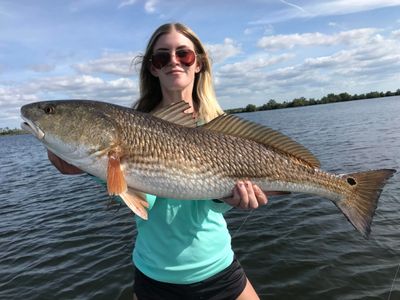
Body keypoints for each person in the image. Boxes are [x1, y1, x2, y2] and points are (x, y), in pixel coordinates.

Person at [48, 23, 269, 300]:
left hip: (219, 268)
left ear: (198, 63)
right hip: (155, 277)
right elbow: (145, 204)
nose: (173, 61)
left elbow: (210, 205)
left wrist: (227, 199)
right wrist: (92, 165)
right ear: (153, 67)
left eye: (184, 54)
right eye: (162, 57)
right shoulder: (132, 127)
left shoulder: (220, 128)